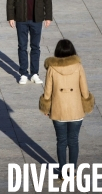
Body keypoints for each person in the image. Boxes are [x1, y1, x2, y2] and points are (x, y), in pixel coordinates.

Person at [39, 39, 94, 177]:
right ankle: (73, 169)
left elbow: (47, 91)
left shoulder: (51, 68)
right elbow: (85, 90)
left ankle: (63, 171)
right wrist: (87, 103)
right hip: (76, 110)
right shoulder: (78, 66)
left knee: (61, 141)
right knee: (74, 140)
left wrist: (46, 107)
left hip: (58, 110)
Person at [6, 0, 53, 84]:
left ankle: (35, 73)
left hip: (36, 18)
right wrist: (11, 16)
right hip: (21, 18)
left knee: (35, 46)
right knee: (22, 46)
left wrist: (48, 16)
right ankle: (23, 73)